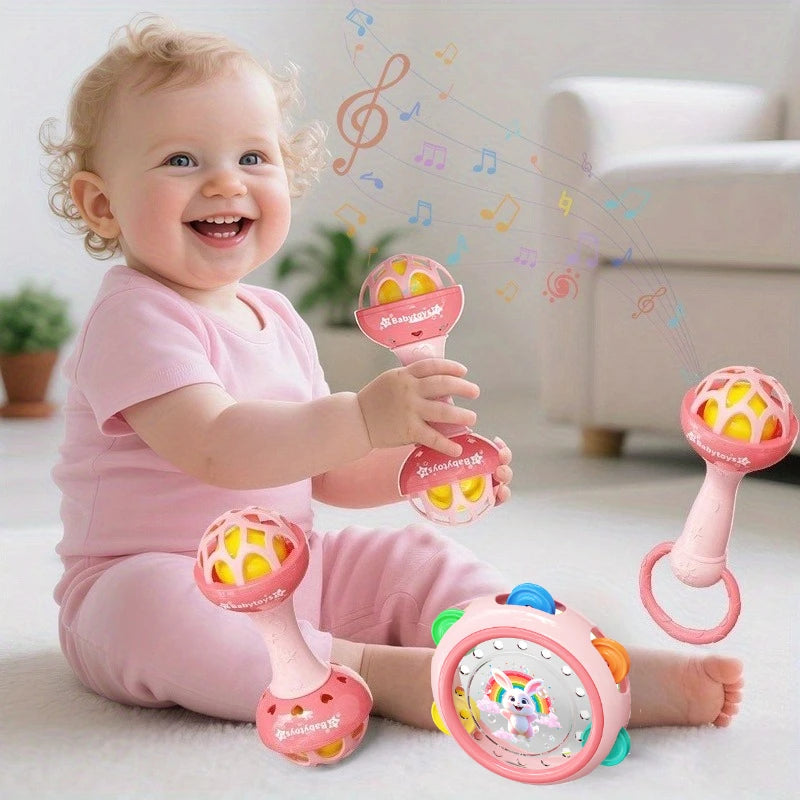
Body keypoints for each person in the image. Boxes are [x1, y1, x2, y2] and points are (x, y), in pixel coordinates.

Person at [42, 15, 742, 735]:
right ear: (102, 203)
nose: (226, 182)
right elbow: (219, 446)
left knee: (416, 558)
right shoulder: (133, 317)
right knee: (155, 615)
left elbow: (326, 474)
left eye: (253, 157)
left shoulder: (276, 316)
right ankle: (373, 671)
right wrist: (360, 417)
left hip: (296, 569)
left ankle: (557, 651)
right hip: (155, 578)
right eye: (182, 161)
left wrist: (415, 461)